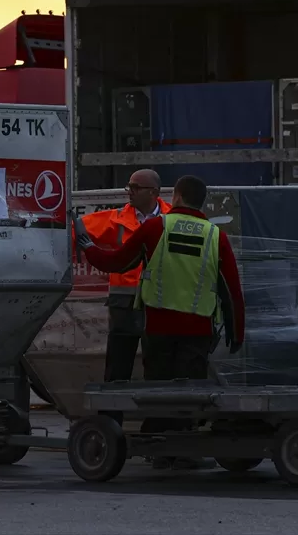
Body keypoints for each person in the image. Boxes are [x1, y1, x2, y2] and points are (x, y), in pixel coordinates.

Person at [75, 174, 245, 467]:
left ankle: (157, 444)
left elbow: (117, 262)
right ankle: (181, 447)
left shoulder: (157, 227)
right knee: (189, 389)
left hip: (159, 324)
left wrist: (87, 246)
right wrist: (236, 329)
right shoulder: (216, 235)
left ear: (175, 196)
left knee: (158, 387)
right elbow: (231, 288)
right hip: (197, 326)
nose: (130, 192)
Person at [75, 169, 171, 383]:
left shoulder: (171, 220)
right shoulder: (116, 219)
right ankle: (111, 415)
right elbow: (76, 230)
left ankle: (157, 413)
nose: (130, 191)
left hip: (158, 302)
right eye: (129, 186)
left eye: (136, 187)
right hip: (124, 304)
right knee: (118, 366)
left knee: (157, 365)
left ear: (154, 192)